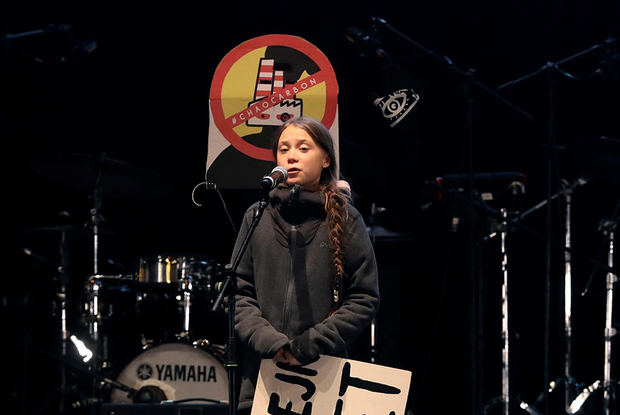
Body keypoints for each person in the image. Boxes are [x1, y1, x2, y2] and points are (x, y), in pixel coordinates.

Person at [231, 116, 380, 411]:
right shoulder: (256, 215)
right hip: (263, 375)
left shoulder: (347, 218)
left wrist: (308, 345)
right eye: (284, 149)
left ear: (325, 158)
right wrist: (271, 343)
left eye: (303, 147)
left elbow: (364, 297)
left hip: (322, 377)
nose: (292, 156)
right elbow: (239, 292)